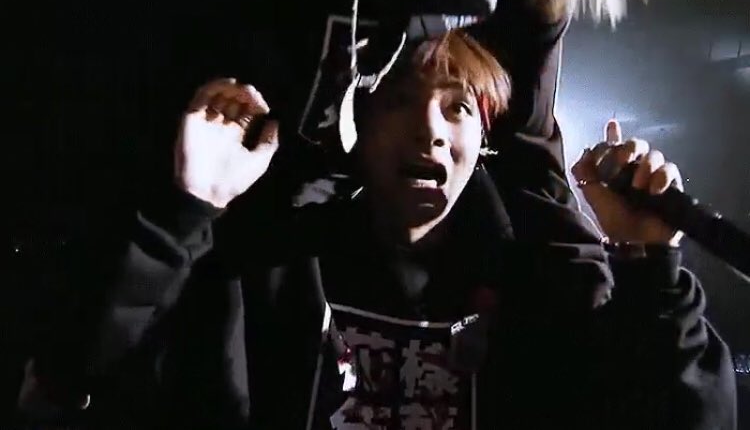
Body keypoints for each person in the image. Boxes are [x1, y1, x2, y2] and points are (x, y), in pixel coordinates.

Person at [20, 30, 736, 429]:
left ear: (483, 139)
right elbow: (71, 374)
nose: (429, 130)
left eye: (456, 107)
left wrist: (652, 262)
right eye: (397, 101)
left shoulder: (544, 294)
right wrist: (186, 211)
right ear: (356, 131)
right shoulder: (264, 271)